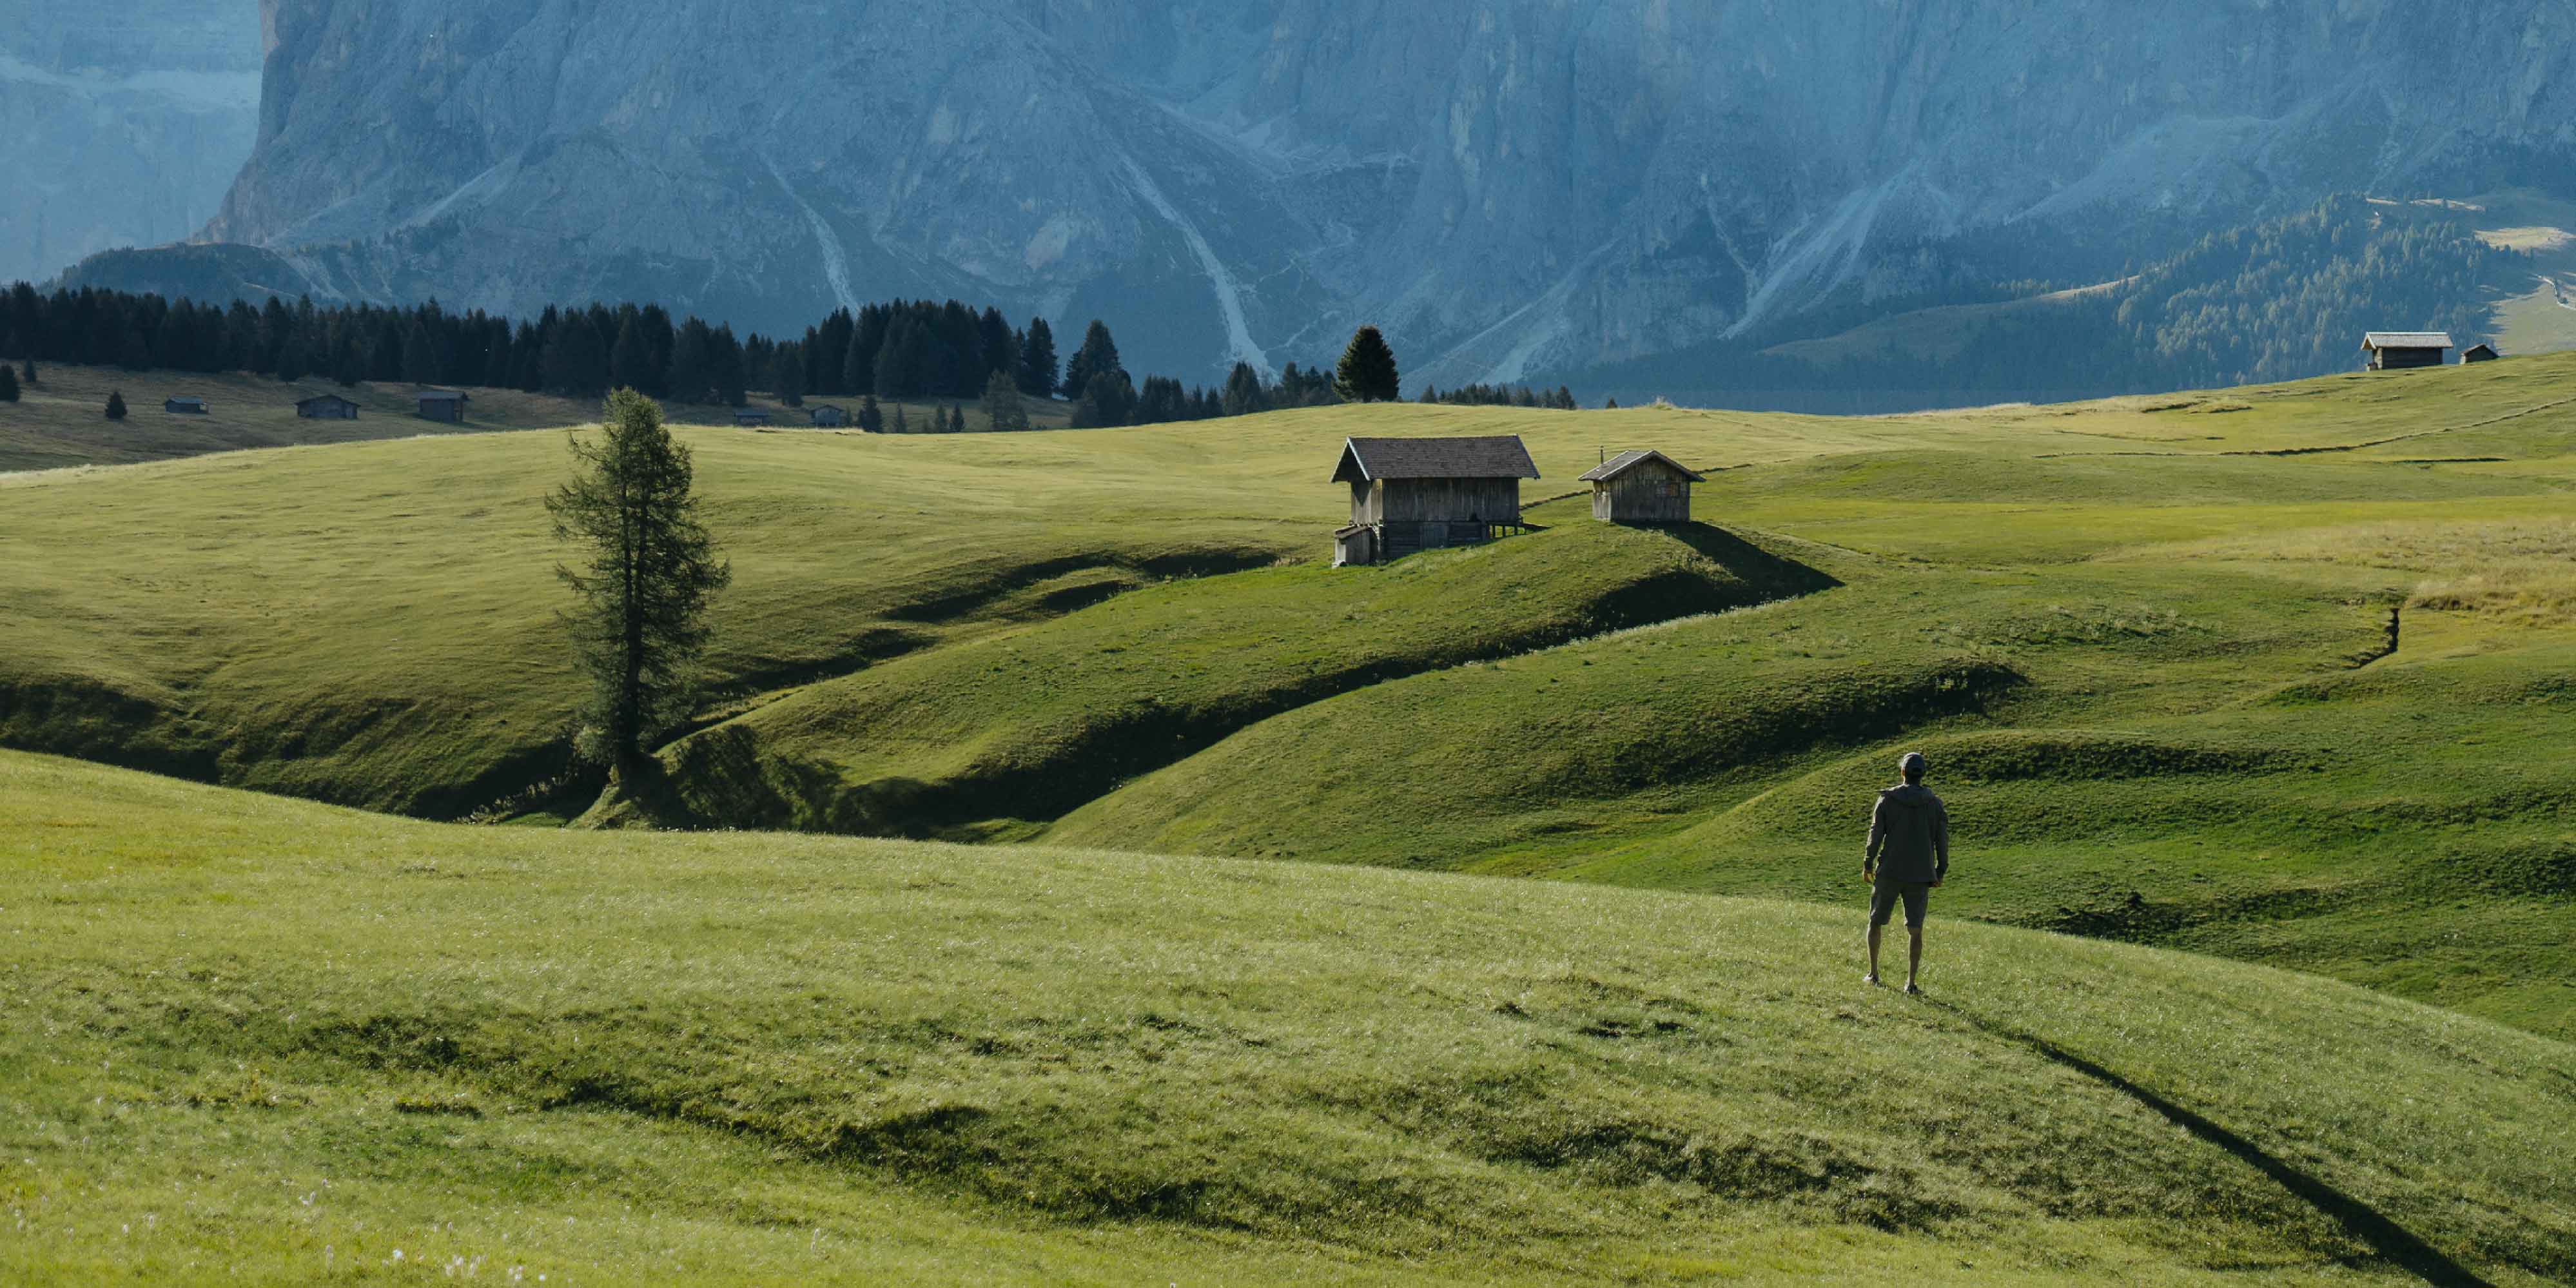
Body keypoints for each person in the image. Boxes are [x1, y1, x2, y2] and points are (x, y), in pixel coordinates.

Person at [1863, 751, 1948, 994]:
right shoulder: (1934, 804)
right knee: (1915, 928)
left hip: (1889, 870)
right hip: (1921, 874)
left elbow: (1875, 833)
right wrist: (1940, 871)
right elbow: (1942, 840)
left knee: (1876, 920)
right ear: (1922, 775)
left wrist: (1868, 862)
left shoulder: (1888, 800)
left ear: (1902, 773)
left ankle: (1874, 973)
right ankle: (1910, 983)